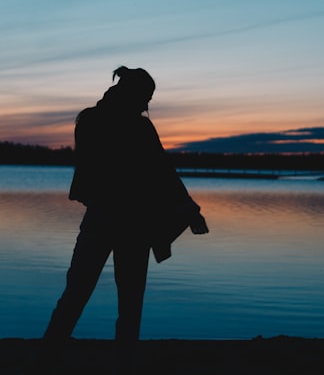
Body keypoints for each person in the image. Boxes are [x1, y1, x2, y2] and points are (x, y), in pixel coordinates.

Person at [43, 66, 209, 343]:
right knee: (125, 299)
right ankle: (121, 360)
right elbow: (163, 172)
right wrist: (190, 211)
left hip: (105, 217)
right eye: (146, 97)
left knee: (79, 290)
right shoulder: (135, 126)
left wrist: (190, 210)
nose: (146, 105)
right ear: (133, 94)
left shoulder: (89, 120)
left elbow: (158, 171)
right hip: (129, 222)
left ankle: (51, 350)